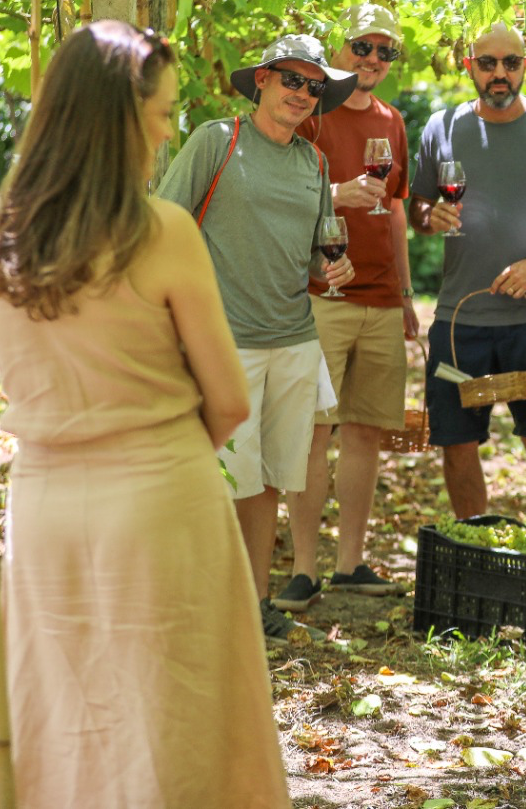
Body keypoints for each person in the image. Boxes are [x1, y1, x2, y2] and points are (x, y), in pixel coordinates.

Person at [0, 21, 290, 807]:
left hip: (42, 505)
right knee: (174, 717)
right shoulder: (162, 232)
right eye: (163, 112)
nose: (169, 129)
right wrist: (164, 444)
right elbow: (231, 399)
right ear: (120, 117)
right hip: (162, 499)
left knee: (56, 709)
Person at [156, 33, 357, 639]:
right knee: (217, 478)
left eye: (314, 86)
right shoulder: (217, 142)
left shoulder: (314, 163)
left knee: (269, 477)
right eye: (291, 80)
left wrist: (331, 269)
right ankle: (198, 600)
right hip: (225, 342)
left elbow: (315, 258)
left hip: (294, 340)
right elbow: (164, 227)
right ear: (263, 80)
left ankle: (253, 601)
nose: (301, 93)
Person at [410, 23, 526, 521]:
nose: (500, 73)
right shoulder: (441, 126)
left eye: (511, 63)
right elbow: (418, 211)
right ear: (469, 67)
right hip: (458, 319)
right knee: (457, 441)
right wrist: (429, 218)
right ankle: (475, 545)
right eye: (487, 63)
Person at [278, 5, 416, 611]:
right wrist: (336, 193)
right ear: (343, 46)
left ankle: (351, 563)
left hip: (383, 300)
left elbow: (397, 210)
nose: (373, 60)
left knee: (365, 433)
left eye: (386, 52)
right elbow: (283, 192)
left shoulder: (393, 121)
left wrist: (408, 296)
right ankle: (303, 569)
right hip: (323, 295)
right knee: (314, 432)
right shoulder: (313, 110)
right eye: (364, 46)